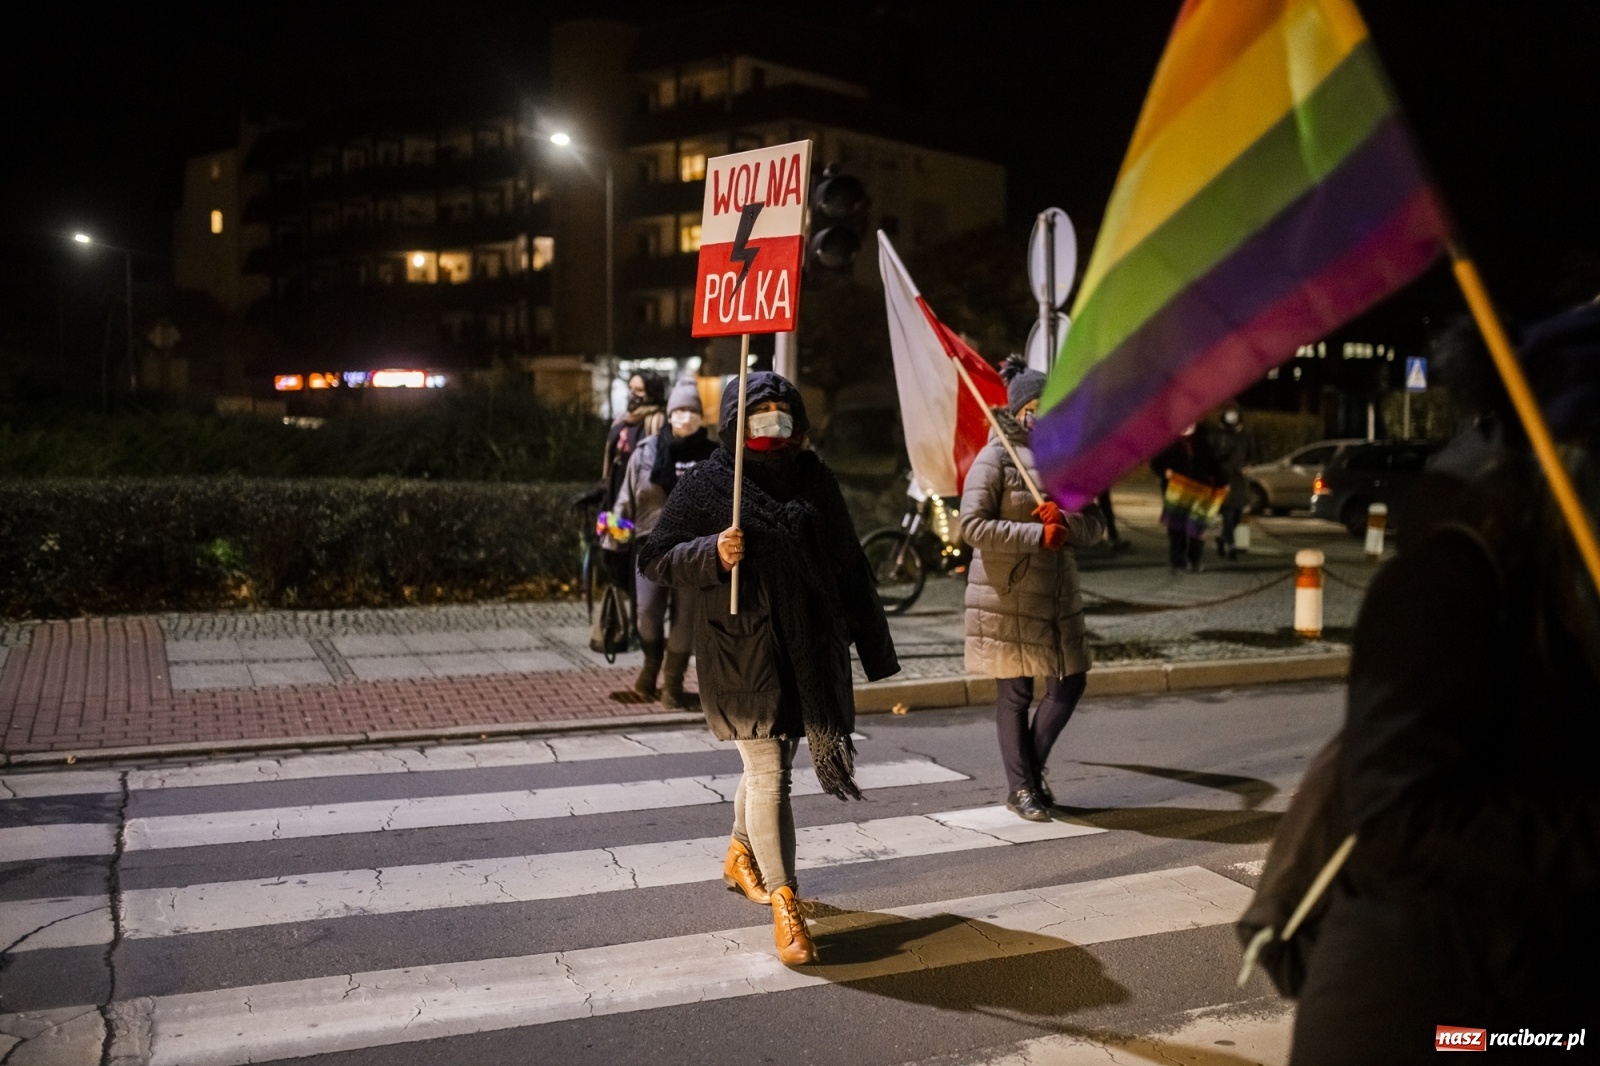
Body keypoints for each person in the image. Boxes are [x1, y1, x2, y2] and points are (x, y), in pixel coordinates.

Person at [1289, 307, 1600, 1064]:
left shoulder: (1580, 587)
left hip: (1545, 1003)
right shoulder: (1454, 582)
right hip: (1435, 1019)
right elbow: (1405, 818)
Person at [638, 371, 899, 966]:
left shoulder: (814, 479)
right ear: (735, 421)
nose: (773, 424)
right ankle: (787, 902)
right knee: (769, 770)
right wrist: (711, 552)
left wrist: (874, 648)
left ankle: (739, 852)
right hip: (741, 651)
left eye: (784, 414)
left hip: (808, 647)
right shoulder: (711, 485)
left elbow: (849, 565)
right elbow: (653, 556)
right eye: (761, 414)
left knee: (772, 760)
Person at [961, 367, 1105, 823]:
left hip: (1058, 594)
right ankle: (1022, 788)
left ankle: (1032, 771)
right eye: (1034, 409)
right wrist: (1034, 535)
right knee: (1016, 692)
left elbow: (1095, 524)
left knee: (1070, 682)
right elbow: (972, 526)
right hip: (1008, 593)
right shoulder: (995, 459)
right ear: (1019, 411)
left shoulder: (1071, 459)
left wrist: (1065, 523)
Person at [614, 377, 717, 706]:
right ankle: (649, 670)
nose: (686, 416)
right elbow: (625, 501)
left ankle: (672, 684)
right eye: (680, 410)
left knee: (686, 617)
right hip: (651, 547)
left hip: (694, 550)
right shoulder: (646, 452)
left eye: (692, 410)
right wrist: (612, 542)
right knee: (647, 612)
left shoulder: (714, 456)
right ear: (669, 414)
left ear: (701, 416)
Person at [1150, 424, 1225, 573]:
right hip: (1176, 493)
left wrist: (1223, 482)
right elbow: (1156, 462)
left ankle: (1195, 560)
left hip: (1200, 493)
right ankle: (1178, 562)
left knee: (1197, 529)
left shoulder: (1203, 442)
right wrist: (1165, 472)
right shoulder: (1169, 441)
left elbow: (1214, 465)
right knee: (1176, 528)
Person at [1208, 402, 1257, 561]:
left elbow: (1253, 455)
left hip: (1240, 481)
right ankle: (1231, 545)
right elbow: (1212, 456)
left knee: (1236, 517)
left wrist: (1248, 466)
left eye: (1234, 412)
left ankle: (1223, 539)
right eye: (1229, 412)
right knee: (1228, 515)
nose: (1231, 416)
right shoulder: (1217, 434)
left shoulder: (1245, 435)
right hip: (1224, 480)